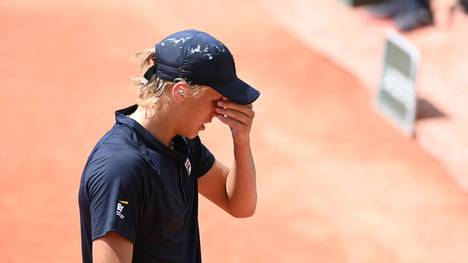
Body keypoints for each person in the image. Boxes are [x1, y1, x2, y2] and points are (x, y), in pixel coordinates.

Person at [78, 29, 260, 263]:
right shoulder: (121, 169)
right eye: (215, 101)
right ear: (181, 91)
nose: (218, 112)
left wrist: (241, 141)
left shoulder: (182, 143)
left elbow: (239, 205)